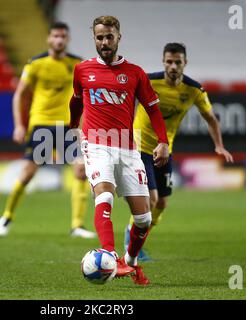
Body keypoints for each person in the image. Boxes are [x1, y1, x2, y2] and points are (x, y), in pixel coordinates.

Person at [69, 15, 169, 285]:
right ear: (94, 38)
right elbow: (76, 101)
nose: (104, 42)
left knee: (144, 218)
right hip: (96, 142)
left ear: (118, 37)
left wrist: (163, 141)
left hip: (127, 148)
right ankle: (109, 254)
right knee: (104, 193)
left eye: (109, 36)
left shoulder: (135, 73)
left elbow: (152, 109)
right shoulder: (82, 70)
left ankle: (131, 262)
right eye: (99, 37)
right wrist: (71, 126)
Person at [124, 42, 234, 260]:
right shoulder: (148, 80)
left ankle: (138, 237)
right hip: (140, 148)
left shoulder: (193, 90)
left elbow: (211, 118)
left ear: (185, 63)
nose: (173, 66)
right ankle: (131, 239)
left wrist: (219, 145)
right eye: (169, 62)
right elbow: (126, 99)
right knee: (152, 199)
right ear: (163, 62)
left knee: (162, 203)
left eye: (178, 62)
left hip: (166, 150)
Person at [0, 22, 96, 239]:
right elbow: (19, 94)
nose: (59, 40)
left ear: (67, 40)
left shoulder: (77, 64)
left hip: (68, 125)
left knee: (80, 170)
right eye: (56, 36)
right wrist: (20, 125)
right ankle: (7, 216)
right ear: (49, 38)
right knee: (28, 173)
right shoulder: (35, 63)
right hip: (41, 123)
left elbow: (85, 98)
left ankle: (77, 225)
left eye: (63, 36)